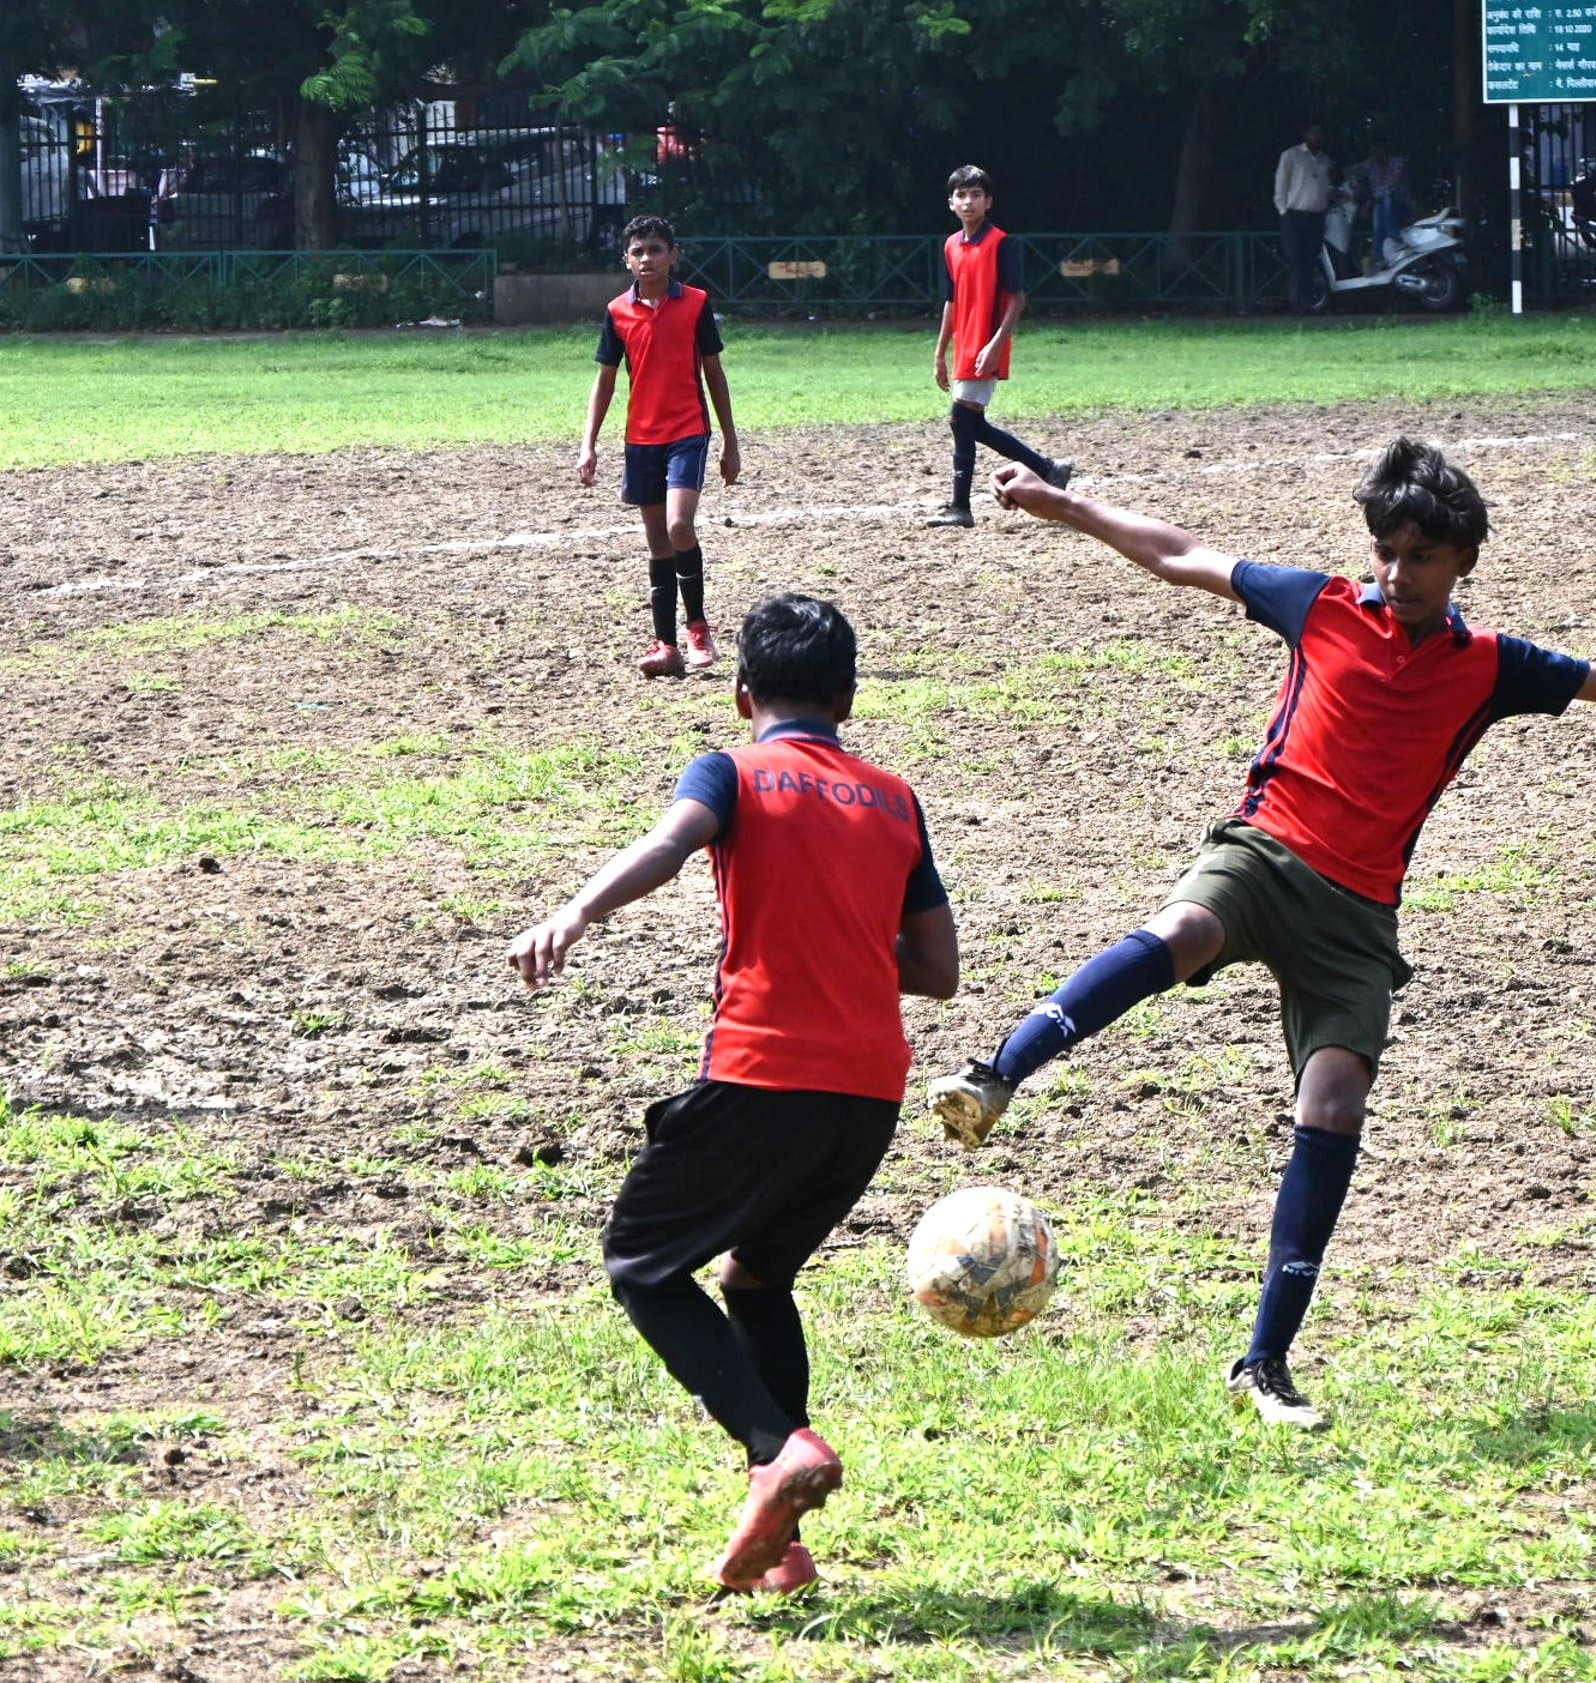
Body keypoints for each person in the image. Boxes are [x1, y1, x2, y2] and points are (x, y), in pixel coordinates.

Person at [924, 442, 1596, 1428]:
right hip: (1263, 855)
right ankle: (998, 1072)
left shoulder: (1490, 668)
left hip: (1355, 916)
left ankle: (1263, 1365)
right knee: (1184, 925)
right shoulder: (1317, 606)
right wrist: (1069, 508)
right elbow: (1179, 553)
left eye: (1422, 557)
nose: (1398, 574)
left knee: (1335, 1107)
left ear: (1464, 563)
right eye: (1387, 552)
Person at [507, 593, 959, 1594]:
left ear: (744, 694)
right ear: (847, 697)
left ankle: (775, 1446)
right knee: (757, 1278)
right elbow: (936, 969)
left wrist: (576, 911)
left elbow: (672, 847)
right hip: (867, 1098)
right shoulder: (896, 798)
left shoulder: (733, 772)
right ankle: (784, 1545)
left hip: (764, 1071)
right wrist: (843, 938)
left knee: (642, 1262)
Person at [577, 214, 741, 678]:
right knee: (656, 544)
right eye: (637, 251)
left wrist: (730, 441)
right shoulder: (617, 312)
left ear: (673, 255)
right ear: (626, 260)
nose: (646, 258)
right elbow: (605, 381)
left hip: (688, 432)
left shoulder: (695, 304)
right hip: (640, 439)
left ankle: (697, 627)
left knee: (678, 527)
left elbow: (714, 373)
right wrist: (588, 444)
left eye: (655, 249)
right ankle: (665, 645)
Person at [925, 165, 1074, 529]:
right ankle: (1047, 468)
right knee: (973, 424)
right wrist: (940, 352)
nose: (968, 201)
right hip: (965, 345)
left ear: (988, 201)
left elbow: (1017, 300)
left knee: (961, 419)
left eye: (976, 194)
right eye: (961, 195)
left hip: (986, 344)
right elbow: (952, 302)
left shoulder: (1001, 243)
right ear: (951, 203)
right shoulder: (950, 246)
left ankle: (961, 508)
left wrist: (995, 345)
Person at [1274, 122, 1333, 311]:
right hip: (1295, 214)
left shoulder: (1325, 160)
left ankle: (1307, 301)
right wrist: (1283, 211)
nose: (1316, 137)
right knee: (1296, 258)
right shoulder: (1291, 155)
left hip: (1317, 216)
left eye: (1319, 133)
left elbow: (1326, 186)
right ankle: (1295, 301)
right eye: (1312, 133)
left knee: (1311, 259)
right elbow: (1281, 185)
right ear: (1306, 134)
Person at [1344, 138, 1411, 273]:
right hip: (1381, 204)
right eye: (1373, 151)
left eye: (1379, 150)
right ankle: (1377, 256)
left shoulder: (1396, 163)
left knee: (1386, 199)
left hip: (1399, 203)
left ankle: (1395, 239)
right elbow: (1350, 172)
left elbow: (1392, 187)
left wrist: (1371, 200)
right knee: (1378, 220)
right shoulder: (1370, 164)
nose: (1376, 154)